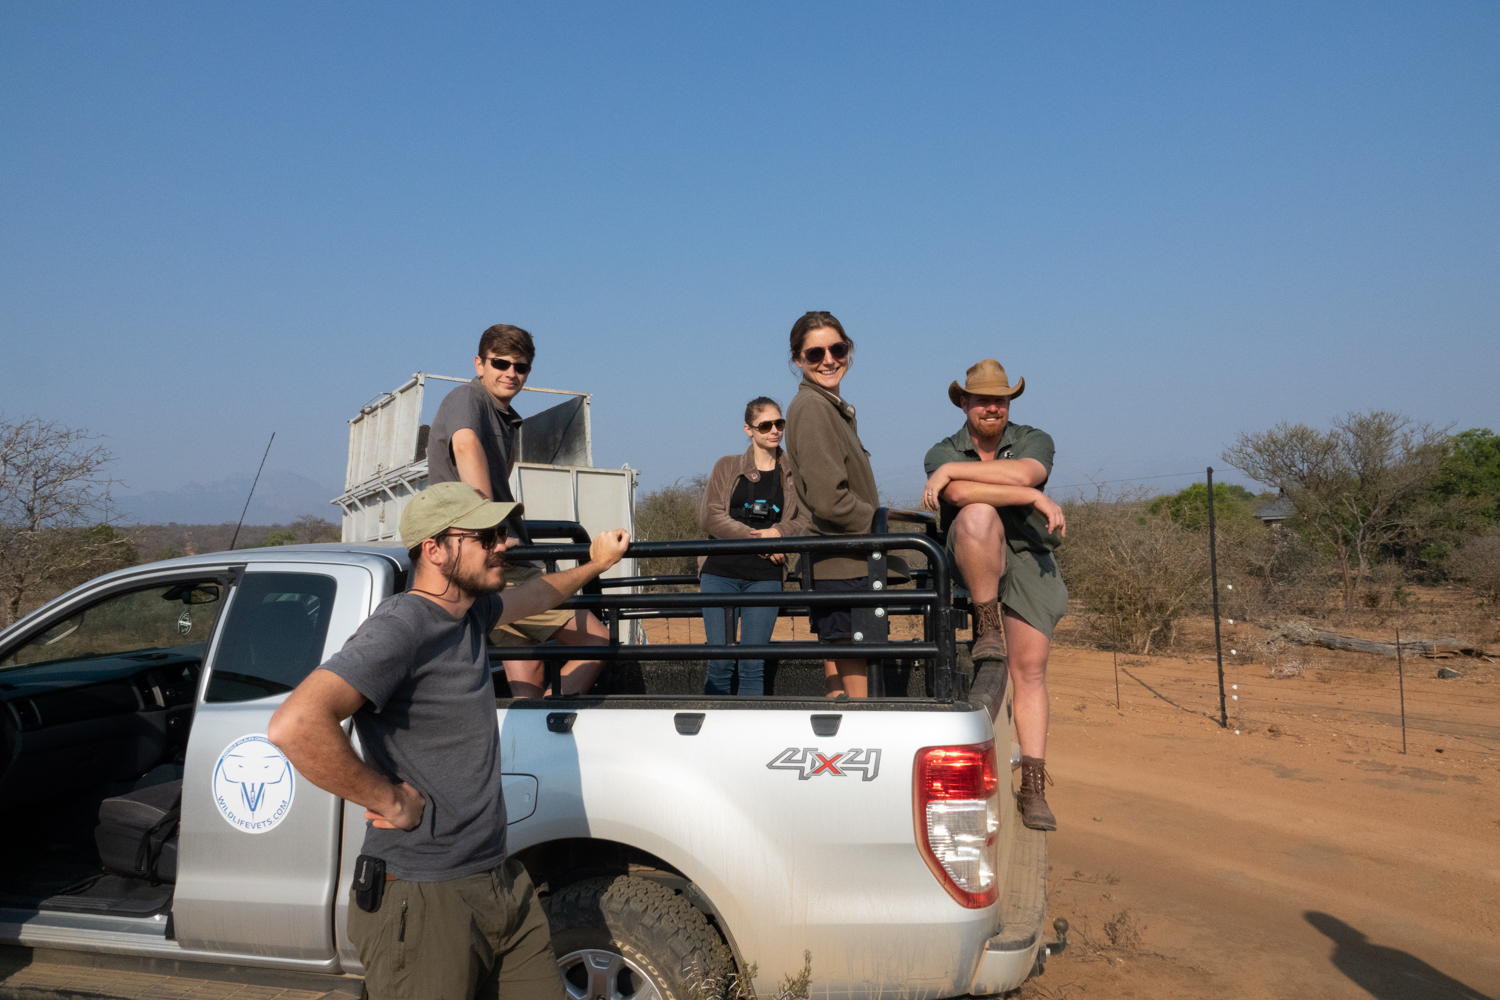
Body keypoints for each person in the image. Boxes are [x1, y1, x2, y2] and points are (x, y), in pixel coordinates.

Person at [268, 481, 630, 1000]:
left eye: (500, 532)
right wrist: (386, 798)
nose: (502, 544)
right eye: (484, 536)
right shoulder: (403, 625)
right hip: (424, 894)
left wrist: (595, 564)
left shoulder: (468, 614)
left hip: (498, 877)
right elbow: (295, 724)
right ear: (435, 550)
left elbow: (534, 595)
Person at [921, 359, 1068, 831]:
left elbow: (1027, 472)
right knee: (979, 515)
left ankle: (1033, 786)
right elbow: (962, 497)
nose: (991, 407)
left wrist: (1023, 489)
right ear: (963, 403)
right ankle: (986, 623)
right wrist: (1028, 497)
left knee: (1030, 670)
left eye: (999, 400)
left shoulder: (1033, 438)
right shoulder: (942, 450)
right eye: (981, 399)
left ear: (1009, 404)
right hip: (971, 556)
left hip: (1027, 555)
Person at [427, 323, 609, 698]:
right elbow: (465, 447)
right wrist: (491, 528)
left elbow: (501, 471)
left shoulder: (506, 418)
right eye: (500, 363)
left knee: (527, 663)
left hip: (486, 556)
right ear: (479, 364)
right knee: (597, 641)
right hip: (490, 554)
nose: (511, 373)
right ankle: (545, 724)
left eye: (521, 367)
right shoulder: (467, 398)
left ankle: (526, 740)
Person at [781, 311, 886, 699]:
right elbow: (829, 499)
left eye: (837, 348)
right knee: (863, 700)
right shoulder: (812, 408)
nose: (828, 359)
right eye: (814, 354)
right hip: (843, 567)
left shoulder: (831, 408)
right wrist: (882, 525)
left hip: (845, 565)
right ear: (798, 361)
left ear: (849, 350)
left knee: (844, 694)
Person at [696, 397, 810, 696]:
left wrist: (779, 531)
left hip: (766, 575)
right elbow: (710, 516)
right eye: (765, 425)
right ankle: (713, 738)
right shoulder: (727, 465)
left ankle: (749, 739)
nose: (774, 431)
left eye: (779, 424)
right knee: (719, 663)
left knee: (752, 664)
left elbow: (805, 520)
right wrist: (760, 540)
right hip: (720, 572)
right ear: (749, 429)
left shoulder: (794, 473)